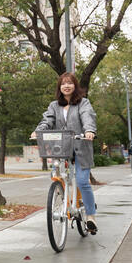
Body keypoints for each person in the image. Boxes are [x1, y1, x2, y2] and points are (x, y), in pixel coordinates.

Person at [30, 72, 98, 234]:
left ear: (75, 86)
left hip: (81, 146)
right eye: (63, 83)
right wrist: (38, 131)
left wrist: (89, 131)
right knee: (59, 177)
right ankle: (63, 200)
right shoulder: (54, 105)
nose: (66, 86)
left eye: (70, 83)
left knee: (82, 181)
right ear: (59, 88)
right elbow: (47, 121)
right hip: (61, 148)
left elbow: (87, 117)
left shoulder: (83, 103)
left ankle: (90, 216)